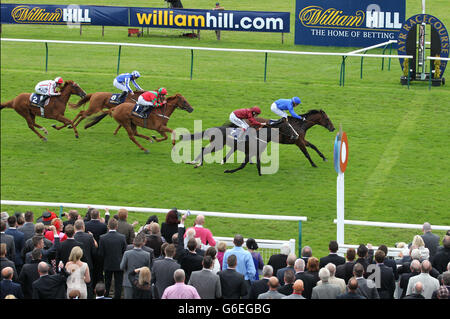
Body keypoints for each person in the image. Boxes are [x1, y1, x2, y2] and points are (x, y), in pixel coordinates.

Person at [98, 218, 127, 299]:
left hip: (108, 264)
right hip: (119, 264)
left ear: (108, 226)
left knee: (107, 283)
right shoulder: (122, 237)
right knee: (118, 285)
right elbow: (124, 251)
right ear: (116, 226)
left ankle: (106, 297)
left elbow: (101, 253)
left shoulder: (103, 238)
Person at [120, 233, 152, 299]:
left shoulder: (127, 253)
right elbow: (147, 269)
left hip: (128, 282)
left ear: (133, 243)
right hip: (141, 283)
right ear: (142, 244)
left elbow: (121, 267)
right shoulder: (147, 255)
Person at [176, 215, 203, 283]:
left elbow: (180, 239)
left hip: (182, 281)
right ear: (196, 246)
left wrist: (182, 221)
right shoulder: (200, 259)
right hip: (194, 283)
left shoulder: (182, 253)